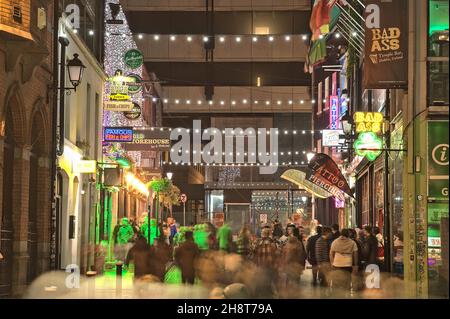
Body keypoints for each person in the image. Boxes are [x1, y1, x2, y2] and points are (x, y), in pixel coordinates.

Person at [329, 228, 359, 296]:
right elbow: (355, 254)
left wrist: (332, 263)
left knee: (336, 282)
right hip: (347, 264)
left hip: (336, 264)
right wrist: (355, 265)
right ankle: (346, 295)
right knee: (347, 282)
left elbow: (331, 253)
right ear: (348, 234)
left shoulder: (335, 241)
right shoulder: (352, 242)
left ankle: (336, 295)